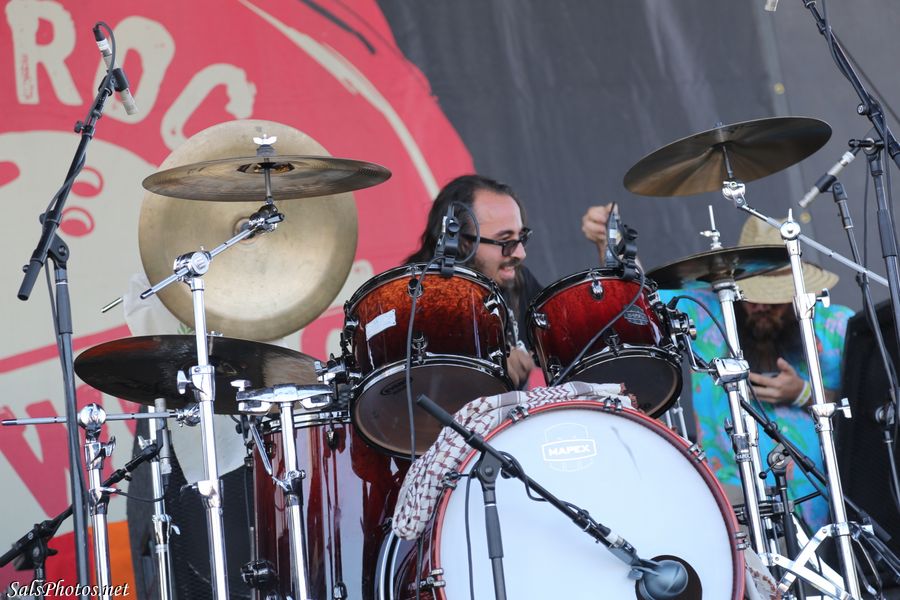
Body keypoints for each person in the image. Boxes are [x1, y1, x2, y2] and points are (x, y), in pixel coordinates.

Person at [406, 175, 611, 387]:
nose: (520, 253)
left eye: (521, 237)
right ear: (462, 243)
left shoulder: (517, 281)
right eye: (505, 241)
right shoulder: (415, 300)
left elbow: (586, 340)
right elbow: (412, 392)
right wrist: (488, 372)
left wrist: (610, 250)